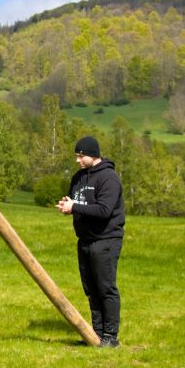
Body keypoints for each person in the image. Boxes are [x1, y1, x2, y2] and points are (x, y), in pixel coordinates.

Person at [56, 136, 125, 348]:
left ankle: (110, 337)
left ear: (93, 154)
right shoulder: (78, 177)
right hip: (84, 240)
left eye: (81, 155)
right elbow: (75, 201)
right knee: (91, 289)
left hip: (105, 240)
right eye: (77, 155)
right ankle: (94, 335)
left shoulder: (109, 178)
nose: (77, 160)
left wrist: (75, 207)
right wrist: (67, 206)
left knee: (106, 288)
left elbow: (104, 210)